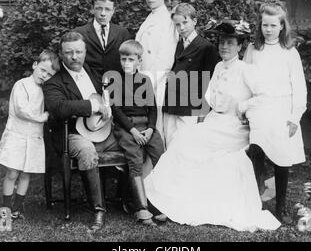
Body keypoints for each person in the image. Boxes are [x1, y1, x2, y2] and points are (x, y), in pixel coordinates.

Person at [144, 20, 281, 231]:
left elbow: (266, 96)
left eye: (229, 43)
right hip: (215, 121)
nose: (224, 47)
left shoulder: (246, 70)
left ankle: (188, 203)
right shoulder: (218, 66)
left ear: (239, 46)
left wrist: (244, 106)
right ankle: (170, 199)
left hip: (235, 127)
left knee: (197, 145)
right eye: (221, 42)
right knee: (183, 139)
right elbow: (211, 98)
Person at [43, 31, 121, 231]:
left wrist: (107, 106)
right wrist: (93, 106)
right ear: (61, 54)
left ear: (85, 52)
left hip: (103, 131)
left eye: (78, 51)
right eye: (69, 53)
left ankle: (131, 200)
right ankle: (98, 210)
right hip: (72, 134)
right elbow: (59, 107)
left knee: (130, 142)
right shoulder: (54, 82)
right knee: (87, 151)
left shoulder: (94, 72)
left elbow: (108, 97)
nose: (74, 57)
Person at [243, 2, 307, 223]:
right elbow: (244, 80)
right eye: (264, 25)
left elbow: (299, 88)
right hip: (259, 109)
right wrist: (245, 108)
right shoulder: (253, 50)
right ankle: (255, 204)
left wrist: (294, 118)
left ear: (282, 26)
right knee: (256, 156)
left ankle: (281, 208)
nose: (268, 30)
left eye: (273, 25)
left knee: (282, 159)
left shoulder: (289, 52)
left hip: (282, 110)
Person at [121, 0, 185, 142]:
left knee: (154, 127)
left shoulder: (168, 21)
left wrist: (145, 84)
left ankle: (157, 167)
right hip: (142, 79)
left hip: (156, 82)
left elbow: (165, 58)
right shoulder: (150, 18)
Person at [0, 50, 60, 219]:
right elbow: (21, 110)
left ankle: (17, 209)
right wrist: (44, 117)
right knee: (12, 173)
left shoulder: (46, 90)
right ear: (35, 65)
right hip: (17, 135)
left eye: (49, 74)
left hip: (34, 137)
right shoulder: (22, 84)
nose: (44, 75)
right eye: (43, 70)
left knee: (26, 173)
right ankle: (5, 211)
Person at [111, 40, 165, 226]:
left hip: (146, 126)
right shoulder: (115, 80)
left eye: (131, 59)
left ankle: (158, 203)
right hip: (126, 127)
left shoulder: (145, 80)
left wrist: (150, 129)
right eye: (123, 58)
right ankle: (141, 208)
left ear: (139, 61)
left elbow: (152, 108)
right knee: (135, 160)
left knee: (160, 155)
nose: (126, 62)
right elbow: (116, 111)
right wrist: (133, 131)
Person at [162, 3, 219, 147]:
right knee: (169, 146)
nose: (181, 28)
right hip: (172, 105)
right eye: (177, 25)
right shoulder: (177, 44)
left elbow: (210, 83)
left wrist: (203, 113)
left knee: (185, 147)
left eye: (185, 22)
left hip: (190, 109)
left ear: (195, 21)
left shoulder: (206, 47)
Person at [74, 0, 131, 85]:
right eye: (99, 8)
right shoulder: (79, 33)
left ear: (113, 10)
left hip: (117, 89)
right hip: (89, 89)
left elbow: (129, 64)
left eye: (107, 9)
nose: (103, 14)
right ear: (92, 9)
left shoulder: (122, 33)